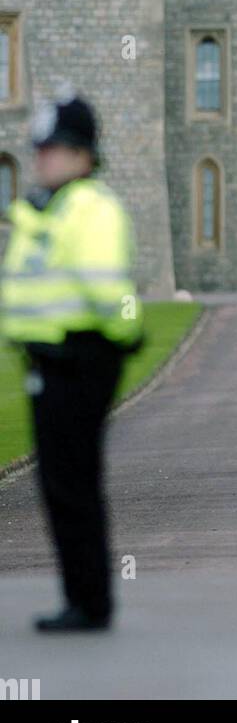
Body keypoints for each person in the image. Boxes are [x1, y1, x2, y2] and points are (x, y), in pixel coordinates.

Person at [0, 93, 142, 632]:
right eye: (41, 148)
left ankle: (89, 602)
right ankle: (81, 597)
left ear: (84, 154)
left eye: (57, 148)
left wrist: (124, 334)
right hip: (48, 356)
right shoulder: (51, 207)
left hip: (81, 355)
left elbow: (108, 285)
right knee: (61, 482)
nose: (44, 157)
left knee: (73, 481)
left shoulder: (91, 208)